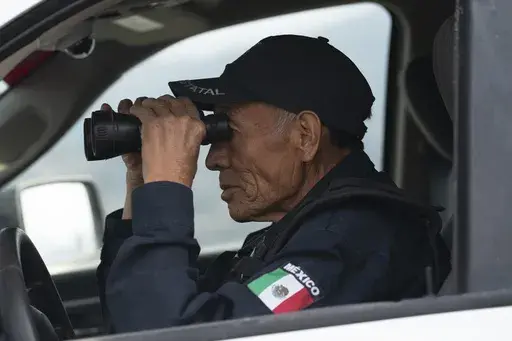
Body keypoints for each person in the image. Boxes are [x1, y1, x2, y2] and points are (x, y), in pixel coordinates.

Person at [96, 34, 451, 333]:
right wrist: (143, 183)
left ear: (305, 135)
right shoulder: (295, 236)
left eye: (227, 131)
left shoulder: (352, 241)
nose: (212, 158)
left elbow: (167, 337)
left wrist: (168, 189)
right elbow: (136, 320)